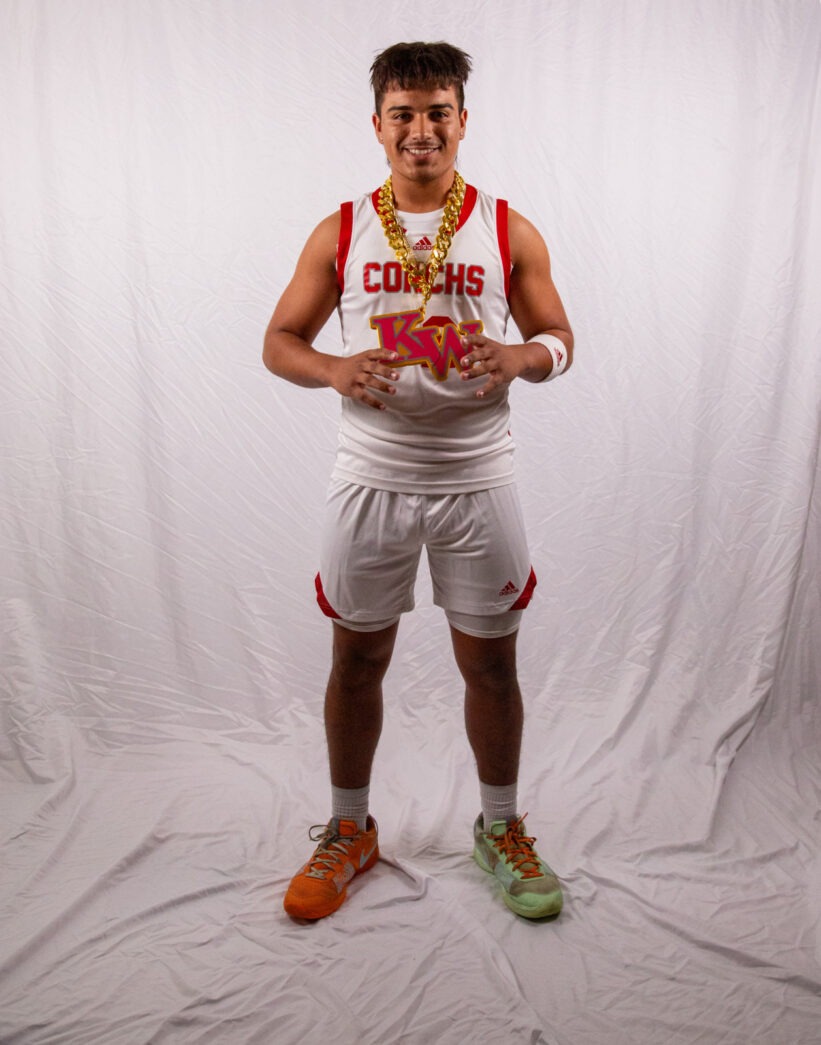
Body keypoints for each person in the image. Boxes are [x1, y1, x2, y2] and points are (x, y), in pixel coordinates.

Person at [263, 41, 573, 921]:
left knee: (491, 664)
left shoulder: (508, 226)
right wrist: (330, 370)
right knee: (357, 656)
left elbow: (560, 337)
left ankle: (501, 827)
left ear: (462, 123)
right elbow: (278, 339)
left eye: (438, 112)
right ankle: (349, 828)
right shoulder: (343, 227)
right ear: (378, 126)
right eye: (403, 113)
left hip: (478, 474)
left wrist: (521, 353)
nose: (421, 130)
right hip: (371, 475)